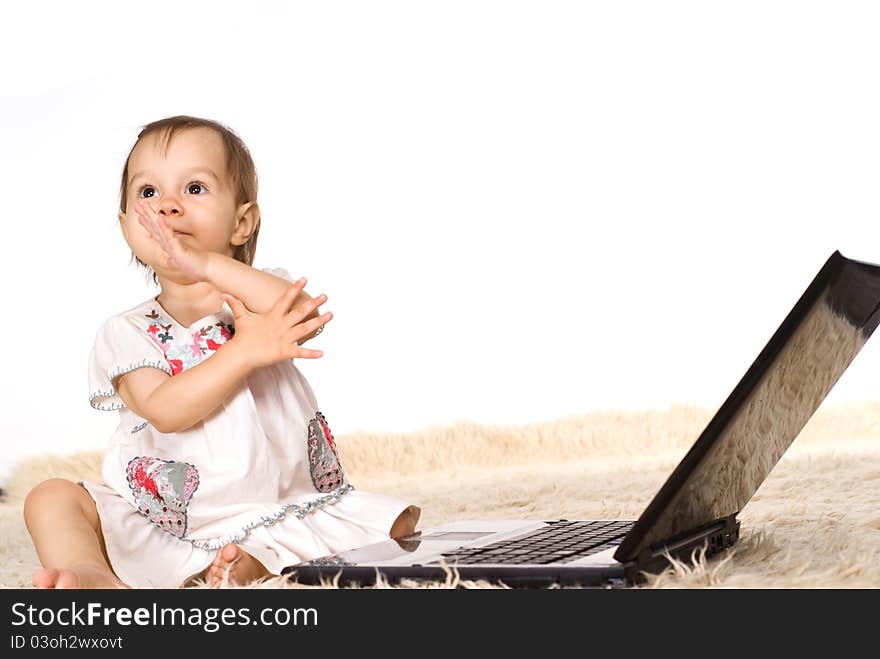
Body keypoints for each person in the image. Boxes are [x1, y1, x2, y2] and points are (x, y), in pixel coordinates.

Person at [23, 115, 421, 589]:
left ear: (241, 222)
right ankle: (95, 576)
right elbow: (165, 409)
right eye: (148, 193)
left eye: (194, 188)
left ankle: (240, 567)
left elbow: (303, 312)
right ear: (127, 225)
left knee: (386, 532)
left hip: (271, 498)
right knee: (50, 497)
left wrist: (208, 266)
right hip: (168, 519)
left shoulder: (254, 294)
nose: (168, 206)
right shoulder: (126, 331)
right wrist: (245, 351)